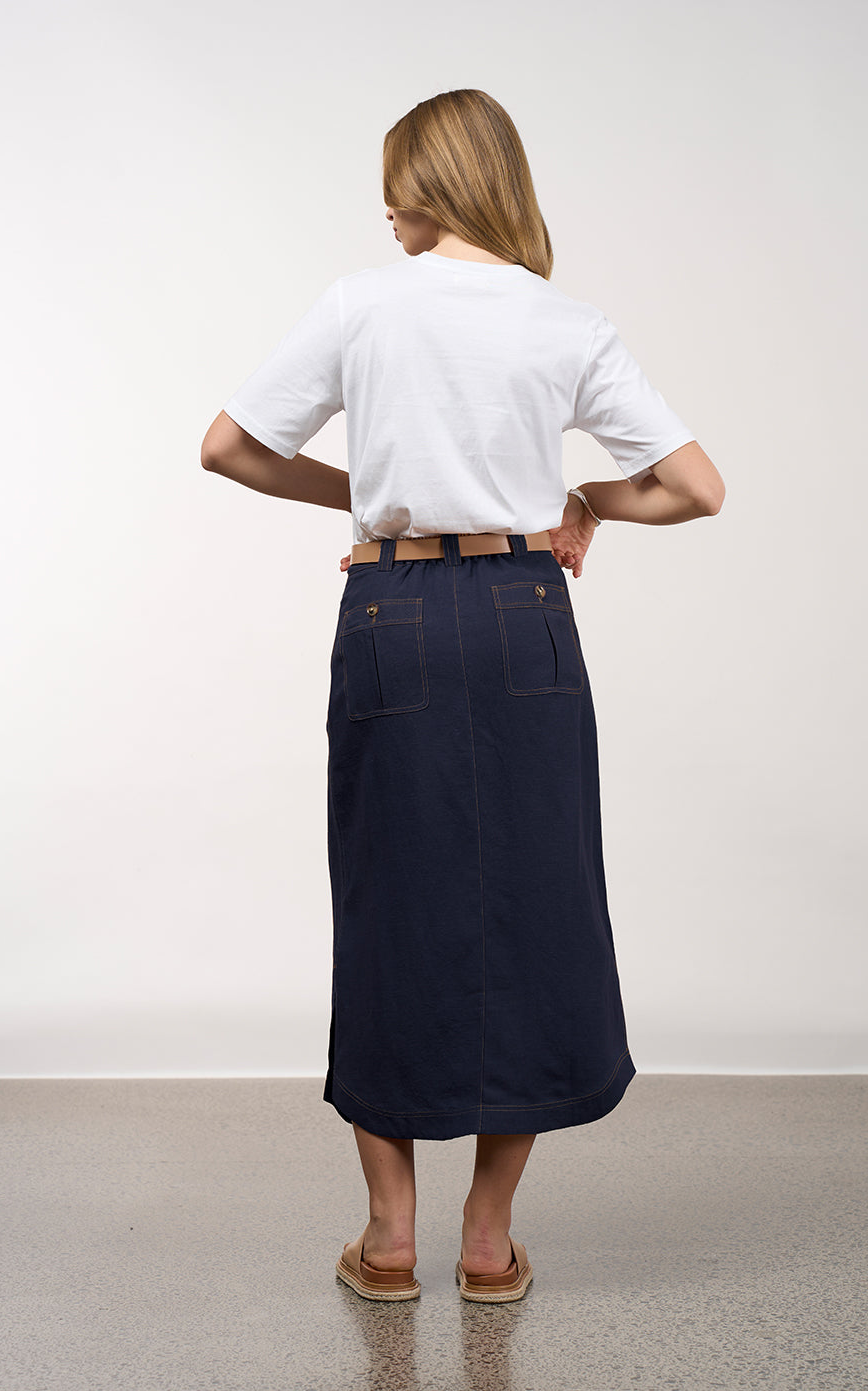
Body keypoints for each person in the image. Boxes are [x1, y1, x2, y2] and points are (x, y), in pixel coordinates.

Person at [201, 88, 725, 1305]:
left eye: (394, 185)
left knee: (387, 895)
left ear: (430, 184)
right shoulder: (565, 323)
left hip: (393, 609)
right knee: (539, 898)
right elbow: (697, 486)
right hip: (524, 607)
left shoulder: (361, 305)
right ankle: (488, 1240)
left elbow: (228, 446)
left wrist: (368, 493)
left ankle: (389, 1238)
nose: (385, 211)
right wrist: (585, 502)